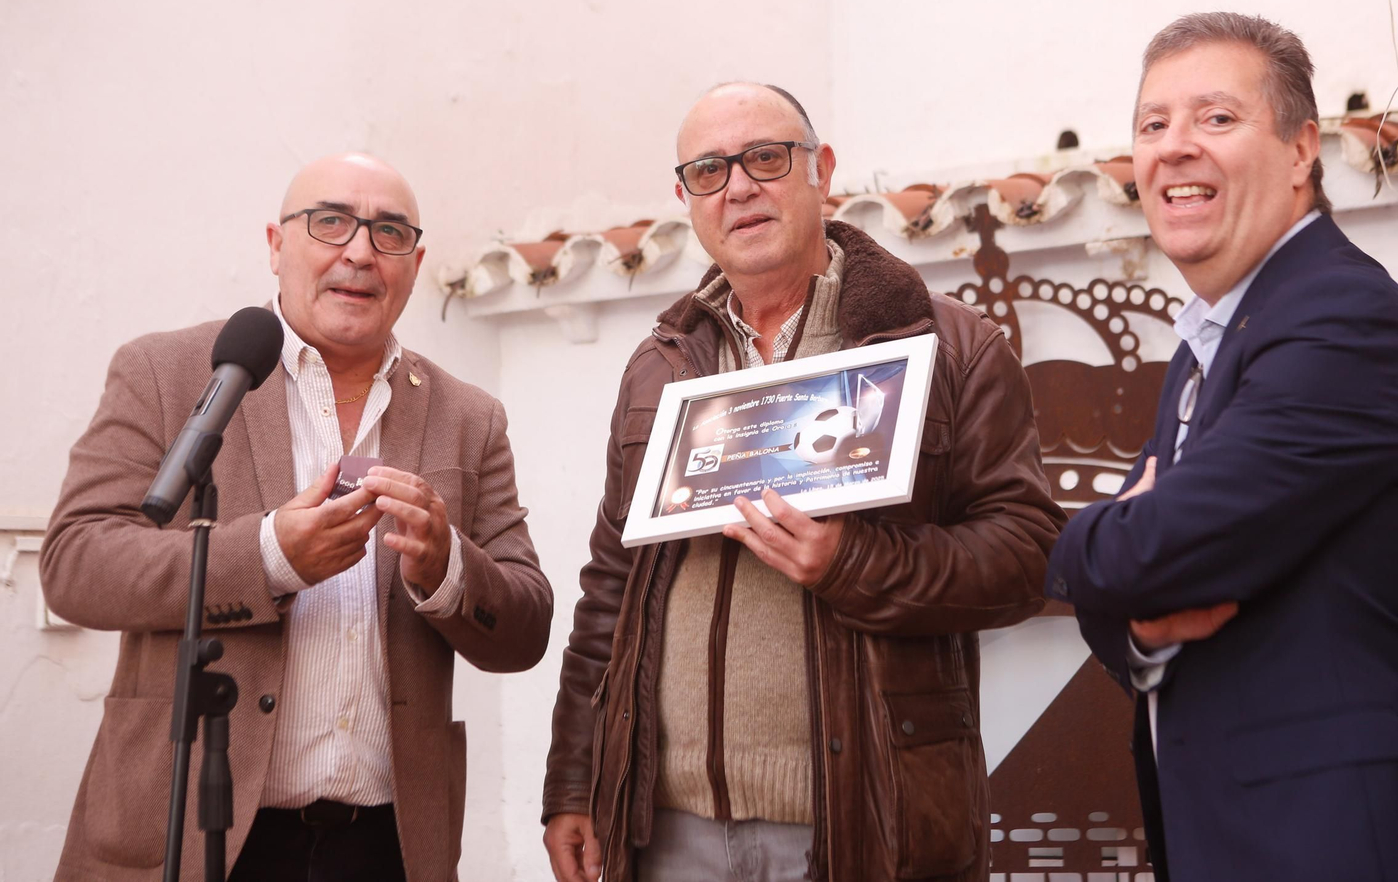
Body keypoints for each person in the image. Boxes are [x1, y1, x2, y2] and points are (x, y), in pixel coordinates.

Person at [541, 83, 1063, 882]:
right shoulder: (660, 366)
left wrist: (849, 563)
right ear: (686, 200)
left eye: (765, 158)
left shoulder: (948, 347)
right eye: (709, 170)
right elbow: (611, 586)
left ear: (820, 169)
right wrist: (576, 782)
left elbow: (1028, 556)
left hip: (858, 819)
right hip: (664, 830)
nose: (739, 186)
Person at [1045, 13, 1398, 881]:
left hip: (1347, 841)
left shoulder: (1343, 321)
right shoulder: (1213, 336)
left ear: (1303, 151)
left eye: (1215, 119)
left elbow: (1148, 552)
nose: (1174, 148)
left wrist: (1084, 542)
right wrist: (1140, 620)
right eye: (1153, 125)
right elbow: (1138, 588)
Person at [42, 153, 553, 882]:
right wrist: (270, 557)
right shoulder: (169, 373)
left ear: (414, 262)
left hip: (385, 844)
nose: (359, 251)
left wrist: (446, 568)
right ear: (277, 247)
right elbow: (76, 561)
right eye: (331, 223)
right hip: (189, 834)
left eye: (389, 232)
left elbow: (526, 627)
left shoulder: (467, 417)